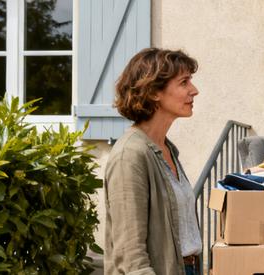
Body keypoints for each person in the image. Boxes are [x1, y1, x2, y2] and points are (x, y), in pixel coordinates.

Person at [104, 48, 202, 275]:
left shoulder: (167, 150)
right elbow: (130, 255)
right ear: (154, 92)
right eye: (184, 82)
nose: (194, 91)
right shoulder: (130, 156)